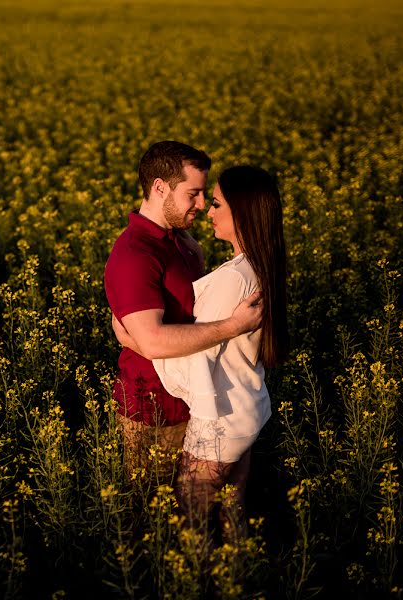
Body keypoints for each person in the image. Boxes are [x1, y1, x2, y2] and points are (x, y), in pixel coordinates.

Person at [113, 165, 288, 532]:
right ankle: (239, 575)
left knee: (190, 523)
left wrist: (133, 339)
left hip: (217, 420)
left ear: (240, 214)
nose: (207, 210)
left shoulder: (232, 278)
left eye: (217, 204)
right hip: (247, 409)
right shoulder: (257, 267)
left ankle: (199, 579)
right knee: (231, 513)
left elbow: (195, 361)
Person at [104, 142, 263, 482]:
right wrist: (233, 326)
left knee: (201, 507)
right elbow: (154, 343)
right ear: (160, 187)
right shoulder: (135, 255)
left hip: (197, 401)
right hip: (153, 412)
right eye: (193, 193)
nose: (202, 205)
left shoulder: (182, 242)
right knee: (153, 515)